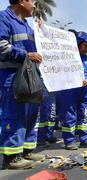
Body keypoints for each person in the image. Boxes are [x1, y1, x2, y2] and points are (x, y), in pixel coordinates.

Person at [0, 0, 44, 169]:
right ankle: (11, 157)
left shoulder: (27, 25)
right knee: (14, 116)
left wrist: (41, 33)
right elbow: (1, 47)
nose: (35, 4)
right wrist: (27, 54)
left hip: (29, 78)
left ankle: (26, 150)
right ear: (21, 1)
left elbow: (37, 51)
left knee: (29, 115)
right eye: (33, 0)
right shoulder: (4, 18)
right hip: (11, 78)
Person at [57, 31, 87, 150]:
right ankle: (69, 141)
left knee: (86, 115)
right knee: (69, 116)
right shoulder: (68, 56)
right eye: (85, 45)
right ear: (78, 44)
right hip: (69, 92)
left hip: (86, 92)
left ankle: (85, 140)